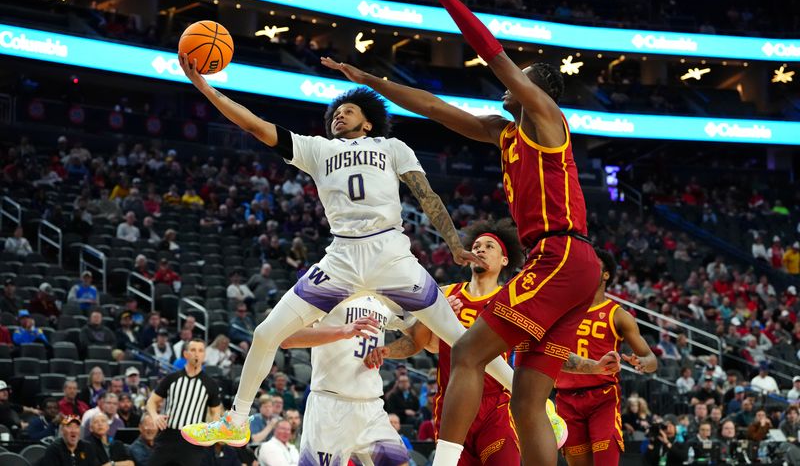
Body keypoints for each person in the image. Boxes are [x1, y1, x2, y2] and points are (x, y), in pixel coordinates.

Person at [322, 0, 609, 466]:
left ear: (535, 88)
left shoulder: (545, 117)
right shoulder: (504, 133)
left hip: (560, 256)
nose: (508, 80)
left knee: (470, 353)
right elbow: (434, 108)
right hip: (573, 266)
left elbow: (491, 50)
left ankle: (444, 462)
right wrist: (372, 85)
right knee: (528, 401)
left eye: (520, 76)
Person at [176, 43, 512, 448]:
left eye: (349, 110)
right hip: (341, 258)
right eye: (335, 112)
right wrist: (203, 85)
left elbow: (427, 197)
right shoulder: (318, 150)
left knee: (462, 339)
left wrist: (455, 244)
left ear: (368, 123)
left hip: (390, 254)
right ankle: (237, 419)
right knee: (266, 332)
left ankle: (540, 405)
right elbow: (254, 125)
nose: (339, 114)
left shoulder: (392, 147)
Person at [368, 220, 618, 464]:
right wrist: (385, 350)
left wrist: (593, 366)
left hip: (497, 408)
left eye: (489, 246)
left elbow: (543, 350)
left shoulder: (514, 300)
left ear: (504, 260)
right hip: (451, 405)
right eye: (476, 245)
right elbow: (419, 343)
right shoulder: (444, 294)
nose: (480, 250)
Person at [277, 294, 414, 465]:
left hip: (371, 407)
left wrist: (387, 350)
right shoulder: (328, 289)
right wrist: (342, 331)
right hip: (329, 406)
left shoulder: (383, 299)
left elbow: (417, 334)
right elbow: (287, 338)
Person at [555, 249, 658, 465]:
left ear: (606, 275)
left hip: (602, 397)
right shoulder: (561, 310)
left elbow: (651, 359)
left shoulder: (618, 314)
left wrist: (642, 363)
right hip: (566, 398)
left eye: (595, 264)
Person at [146, 338, 221, 465]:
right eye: (193, 350)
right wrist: (154, 416)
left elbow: (216, 412)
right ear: (185, 354)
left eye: (200, 350)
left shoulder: (210, 384)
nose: (197, 354)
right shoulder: (171, 378)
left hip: (193, 440)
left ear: (204, 355)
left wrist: (211, 432)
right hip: (168, 436)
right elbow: (151, 401)